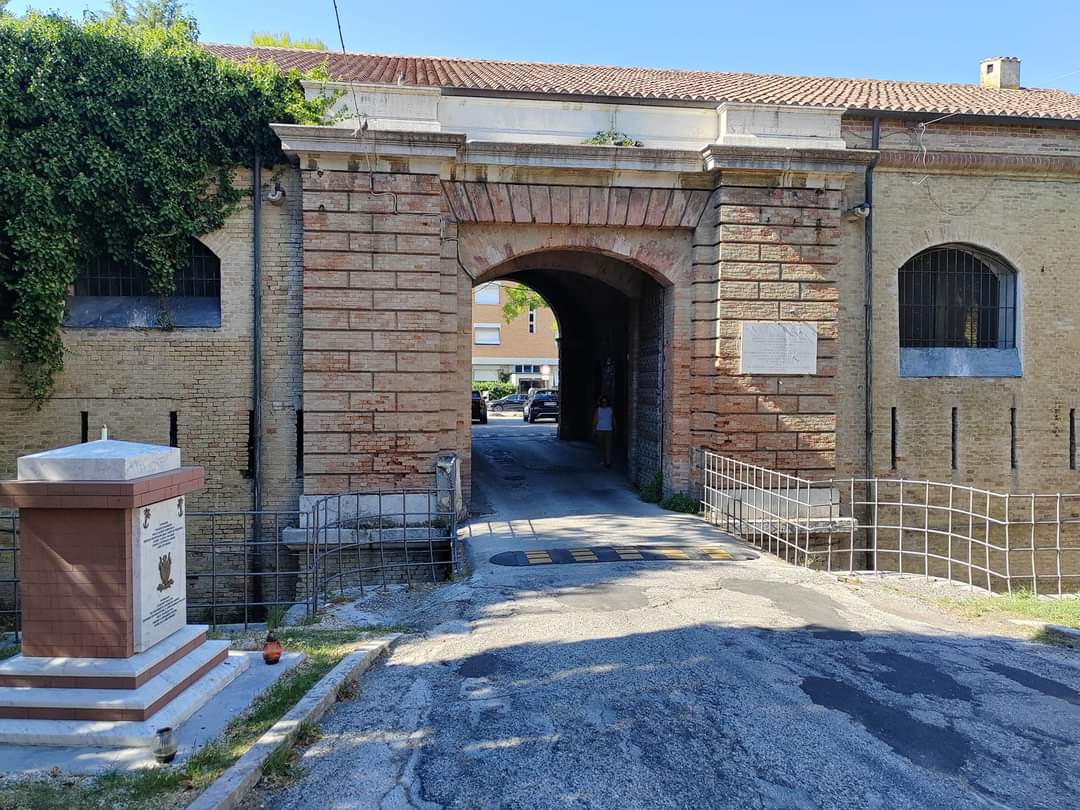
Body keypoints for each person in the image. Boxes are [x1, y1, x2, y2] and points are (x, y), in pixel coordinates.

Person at [594, 396, 615, 468]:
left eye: (605, 402)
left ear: (607, 402)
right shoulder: (598, 410)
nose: (604, 404)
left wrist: (615, 429)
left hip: (609, 430)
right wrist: (594, 430)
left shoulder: (610, 409)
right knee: (601, 446)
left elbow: (613, 420)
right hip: (600, 429)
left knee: (608, 446)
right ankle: (603, 460)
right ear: (600, 403)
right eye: (602, 402)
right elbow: (595, 420)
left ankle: (608, 461)